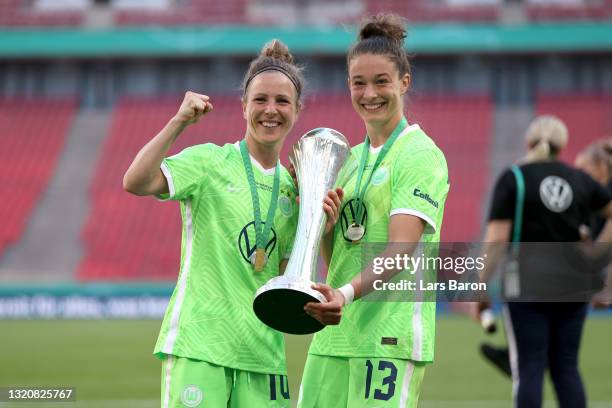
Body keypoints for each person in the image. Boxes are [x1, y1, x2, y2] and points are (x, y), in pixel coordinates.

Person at [123, 40, 341, 407]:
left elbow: (286, 278)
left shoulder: (295, 190)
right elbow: (136, 181)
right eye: (260, 100)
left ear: (297, 110)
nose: (270, 110)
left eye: (282, 102)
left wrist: (320, 229)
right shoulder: (210, 162)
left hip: (263, 358)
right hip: (201, 348)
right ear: (244, 106)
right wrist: (179, 122)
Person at [297, 14, 449, 408]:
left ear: (404, 82)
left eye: (381, 81)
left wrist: (345, 295)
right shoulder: (347, 159)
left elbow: (403, 247)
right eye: (358, 83)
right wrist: (326, 227)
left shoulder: (419, 153)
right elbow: (338, 261)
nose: (370, 93)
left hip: (388, 339)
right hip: (333, 336)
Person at [478, 115, 612, 408]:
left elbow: (497, 241)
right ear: (562, 146)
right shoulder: (579, 179)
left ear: (529, 142)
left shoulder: (514, 178)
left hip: (527, 286)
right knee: (566, 368)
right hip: (573, 288)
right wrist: (597, 255)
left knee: (529, 369)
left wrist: (480, 285)